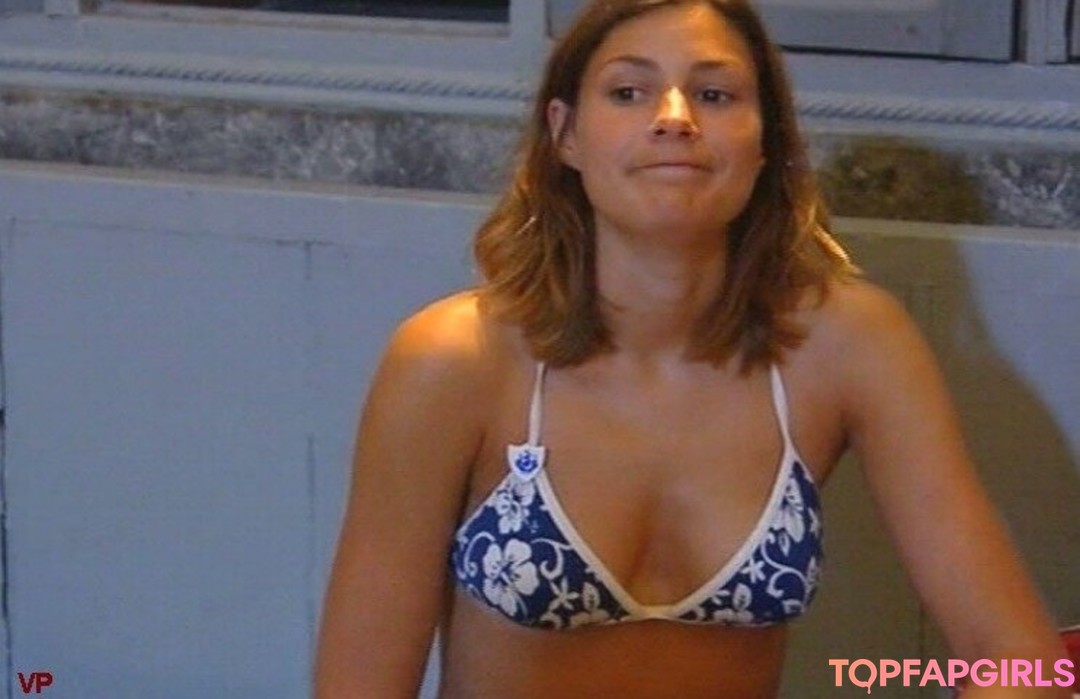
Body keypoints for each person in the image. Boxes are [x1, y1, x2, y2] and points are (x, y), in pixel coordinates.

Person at [314, 1, 1068, 697]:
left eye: (714, 94)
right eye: (628, 92)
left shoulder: (848, 344)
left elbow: (1017, 658)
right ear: (566, 133)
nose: (674, 118)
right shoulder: (453, 359)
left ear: (765, 138)